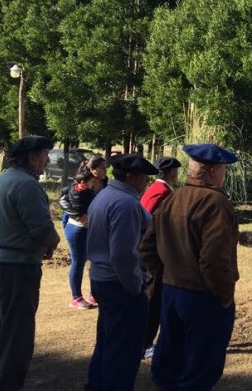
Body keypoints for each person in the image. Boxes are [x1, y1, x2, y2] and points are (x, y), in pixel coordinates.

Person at [139, 143, 240, 391]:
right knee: (199, 369)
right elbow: (214, 260)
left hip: (172, 293)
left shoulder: (173, 198)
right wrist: (224, 296)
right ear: (214, 171)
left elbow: (147, 248)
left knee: (167, 366)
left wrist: (155, 279)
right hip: (203, 296)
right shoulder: (216, 203)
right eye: (224, 170)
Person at [0, 136, 60, 391]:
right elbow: (41, 228)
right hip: (18, 265)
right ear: (32, 158)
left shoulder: (3, 179)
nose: (47, 160)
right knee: (16, 336)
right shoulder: (27, 185)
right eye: (45, 155)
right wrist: (52, 241)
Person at [85, 153, 157, 391]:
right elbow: (122, 255)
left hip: (102, 278)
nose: (146, 181)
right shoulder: (124, 204)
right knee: (124, 350)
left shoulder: (105, 195)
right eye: (144, 176)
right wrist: (135, 285)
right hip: (118, 283)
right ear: (131, 176)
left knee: (106, 342)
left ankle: (96, 386)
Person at [140, 156, 182, 358]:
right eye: (175, 171)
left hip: (153, 252)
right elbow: (148, 221)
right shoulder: (162, 192)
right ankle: (146, 342)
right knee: (154, 300)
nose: (177, 174)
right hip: (155, 255)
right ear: (170, 173)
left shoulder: (156, 189)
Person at [61, 163, 99, 309]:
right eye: (91, 181)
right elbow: (62, 199)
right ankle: (76, 298)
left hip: (86, 229)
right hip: (77, 229)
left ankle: (93, 294)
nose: (93, 183)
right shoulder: (85, 192)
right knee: (78, 262)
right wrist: (77, 215)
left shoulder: (78, 188)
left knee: (92, 259)